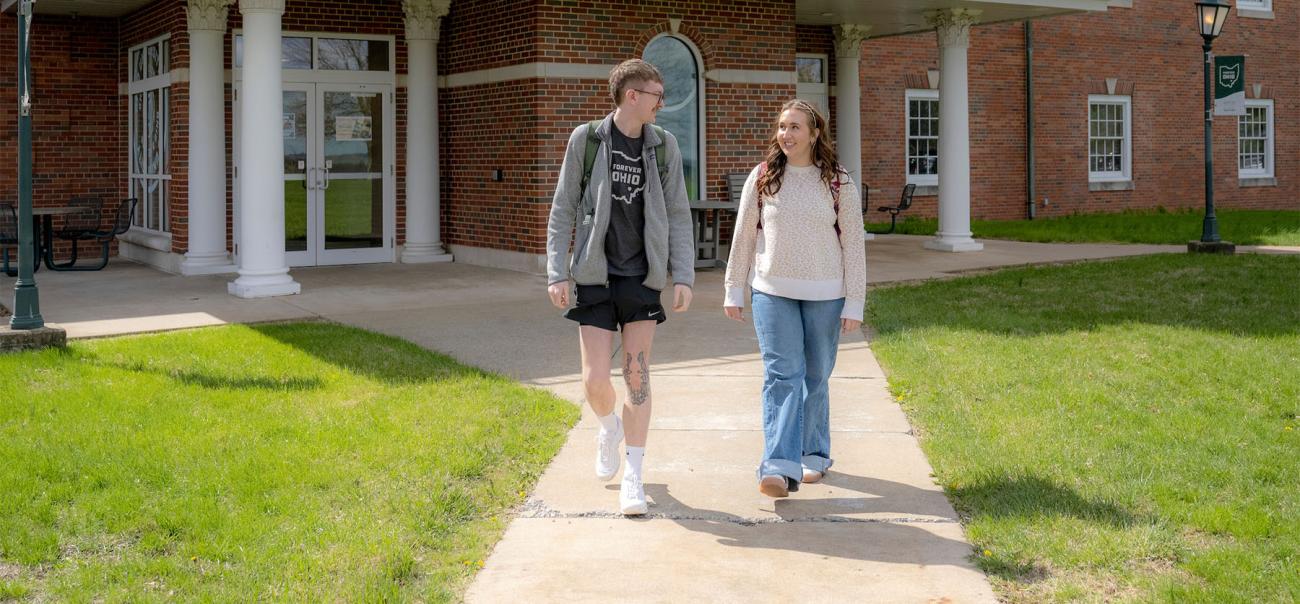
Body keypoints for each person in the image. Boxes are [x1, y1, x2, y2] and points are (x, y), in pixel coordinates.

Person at [546, 59, 695, 515]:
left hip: (641, 277)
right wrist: (557, 271)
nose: (662, 103)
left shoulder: (663, 146)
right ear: (633, 95)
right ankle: (608, 426)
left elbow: (676, 214)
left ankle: (635, 472)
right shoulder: (587, 140)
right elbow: (563, 209)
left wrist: (682, 273)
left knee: (638, 377)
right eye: (656, 94)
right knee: (594, 380)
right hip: (594, 273)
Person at [722, 99, 866, 498]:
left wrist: (855, 301)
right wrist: (735, 288)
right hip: (771, 291)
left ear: (815, 133)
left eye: (795, 127)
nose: (786, 134)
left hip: (825, 294)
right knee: (782, 376)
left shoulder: (838, 181)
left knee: (815, 376)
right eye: (782, 126)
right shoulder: (764, 176)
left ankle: (813, 453)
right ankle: (778, 466)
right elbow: (744, 236)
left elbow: (854, 244)